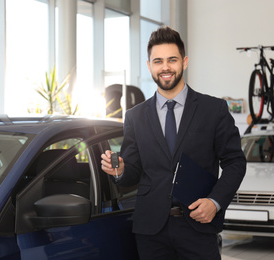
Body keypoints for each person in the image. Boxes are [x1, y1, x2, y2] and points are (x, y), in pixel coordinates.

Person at [101, 26, 246, 259]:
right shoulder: (135, 116)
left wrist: (215, 202)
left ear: (184, 62)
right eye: (158, 61)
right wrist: (120, 170)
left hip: (199, 226)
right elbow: (133, 173)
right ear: (149, 65)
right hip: (151, 231)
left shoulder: (213, 110)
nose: (165, 67)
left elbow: (235, 162)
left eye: (172, 60)